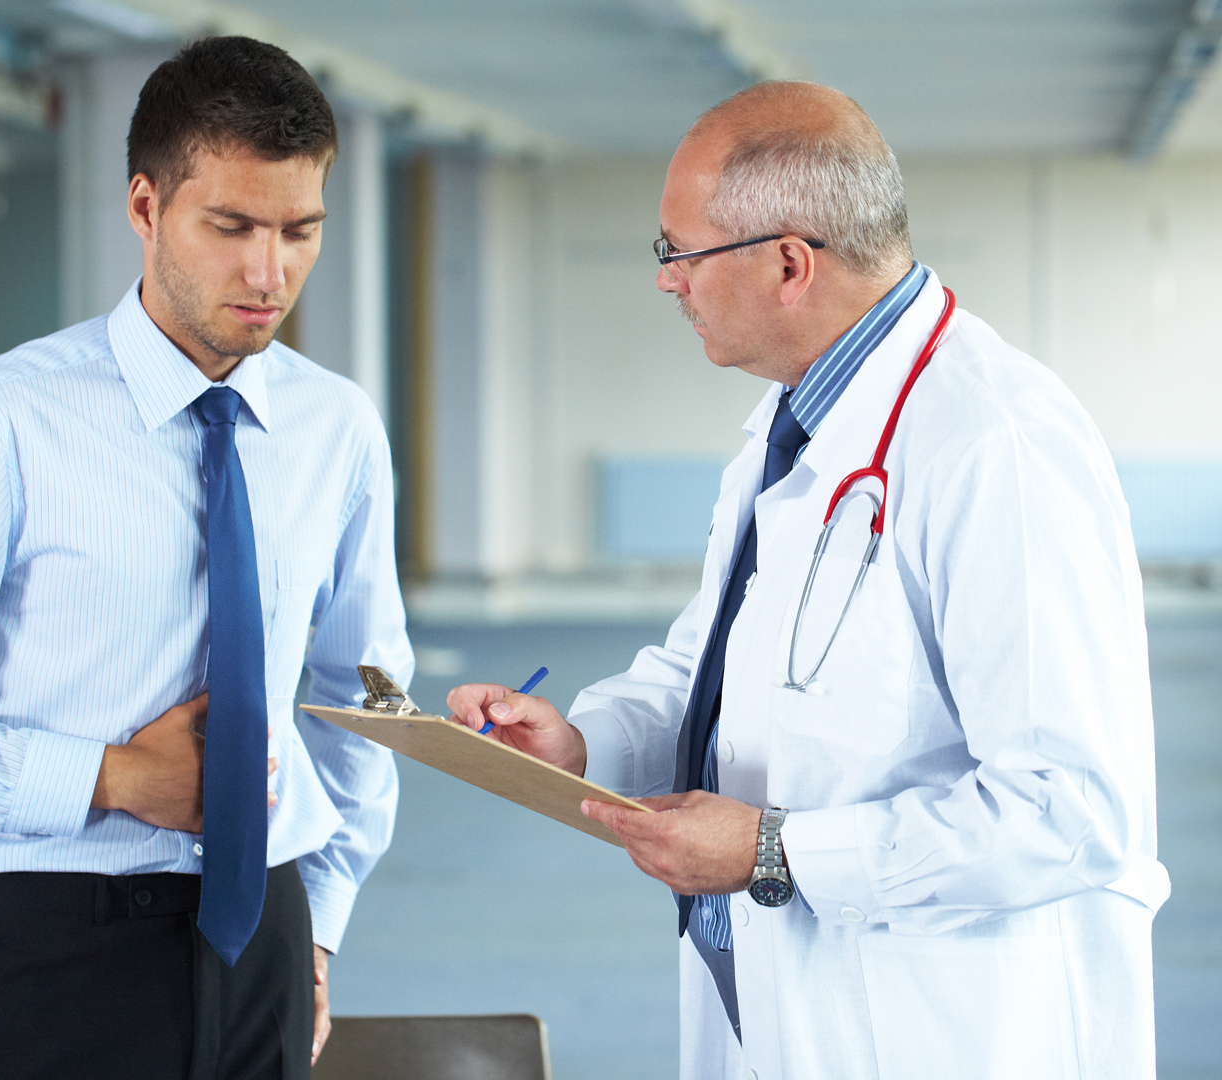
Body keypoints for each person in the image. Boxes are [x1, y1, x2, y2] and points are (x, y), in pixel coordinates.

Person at [447, 81, 1167, 1080]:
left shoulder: (996, 444)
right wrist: (579, 741)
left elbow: (1067, 811)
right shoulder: (795, 430)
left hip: (953, 1031)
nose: (667, 284)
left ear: (789, 262)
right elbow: (714, 673)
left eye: (680, 253)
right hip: (793, 1010)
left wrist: (777, 853)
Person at [0, 36, 411, 1080]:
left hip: (266, 930)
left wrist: (324, 917)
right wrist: (110, 777)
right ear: (144, 207)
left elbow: (366, 693)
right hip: (48, 948)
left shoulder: (337, 427)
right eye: (231, 227)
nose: (271, 272)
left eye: (301, 231)